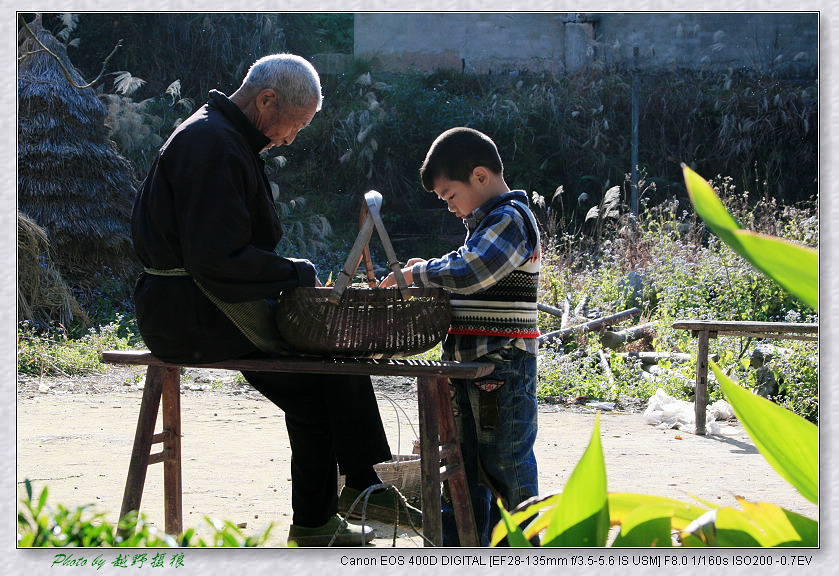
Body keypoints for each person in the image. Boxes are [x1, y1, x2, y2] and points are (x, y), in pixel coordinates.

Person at [131, 53, 419, 546]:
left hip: (199, 302)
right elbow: (215, 258)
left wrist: (288, 276)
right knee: (324, 364)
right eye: (295, 124)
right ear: (266, 100)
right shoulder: (213, 145)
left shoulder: (224, 137)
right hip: (191, 310)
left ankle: (326, 515)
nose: (291, 137)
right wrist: (297, 273)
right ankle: (362, 487)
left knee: (318, 383)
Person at [380, 127, 541, 546]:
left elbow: (471, 270)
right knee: (463, 470)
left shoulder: (511, 219)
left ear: (481, 176)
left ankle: (524, 551)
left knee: (505, 467)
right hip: (474, 367)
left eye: (451, 195)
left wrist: (418, 272)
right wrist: (430, 269)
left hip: (502, 365)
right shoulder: (485, 223)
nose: (450, 207)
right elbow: (464, 266)